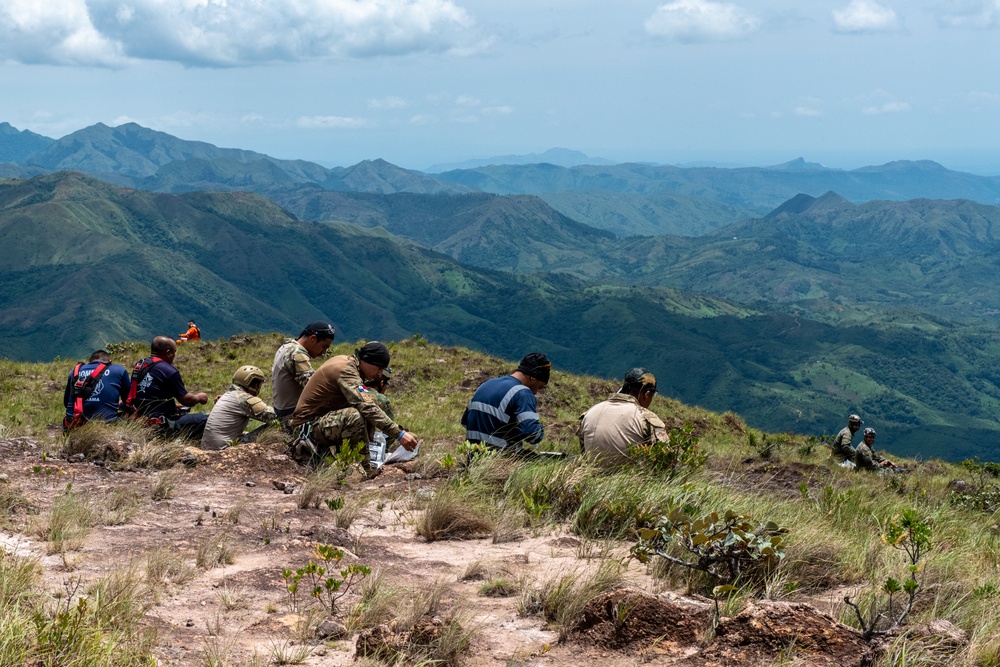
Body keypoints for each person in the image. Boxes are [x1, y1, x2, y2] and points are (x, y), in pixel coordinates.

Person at [289, 342, 418, 464]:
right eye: (379, 368)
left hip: (319, 421)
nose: (379, 374)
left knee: (367, 406)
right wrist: (399, 434)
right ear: (366, 361)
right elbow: (366, 406)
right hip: (306, 428)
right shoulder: (346, 371)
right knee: (355, 415)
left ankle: (357, 458)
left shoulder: (351, 365)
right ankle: (362, 466)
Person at [577, 367, 669, 467]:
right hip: (631, 480)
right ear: (647, 394)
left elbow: (584, 454)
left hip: (591, 478)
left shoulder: (590, 412)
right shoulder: (647, 417)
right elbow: (667, 459)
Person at [461, 352, 550, 453]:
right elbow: (530, 433)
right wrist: (539, 432)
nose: (535, 392)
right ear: (533, 378)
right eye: (540, 387)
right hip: (500, 459)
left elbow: (465, 421)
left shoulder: (486, 385)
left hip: (472, 456)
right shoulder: (523, 393)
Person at [128, 336, 210, 439]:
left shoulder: (140, 365)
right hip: (158, 425)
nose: (174, 356)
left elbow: (148, 394)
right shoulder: (169, 370)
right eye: (174, 352)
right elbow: (187, 400)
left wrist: (172, 406)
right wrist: (199, 397)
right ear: (168, 353)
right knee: (205, 420)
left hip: (137, 419)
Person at [271, 321, 336, 423]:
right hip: (292, 414)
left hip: (282, 410)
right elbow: (313, 386)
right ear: (313, 339)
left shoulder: (286, 347)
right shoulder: (297, 353)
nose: (323, 353)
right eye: (324, 347)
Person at [201, 365, 277, 450]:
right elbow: (274, 416)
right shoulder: (244, 398)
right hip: (224, 449)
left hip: (208, 448)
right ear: (255, 385)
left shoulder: (228, 395)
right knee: (274, 427)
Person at [62, 350, 132, 429]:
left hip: (76, 423)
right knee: (130, 415)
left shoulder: (75, 371)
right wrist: (120, 405)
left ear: (90, 362)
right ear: (110, 362)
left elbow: (66, 403)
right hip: (108, 423)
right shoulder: (119, 370)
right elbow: (129, 401)